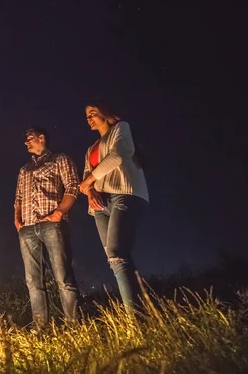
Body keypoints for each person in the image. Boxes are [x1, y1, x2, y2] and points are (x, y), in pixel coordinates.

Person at [78, 103, 149, 312]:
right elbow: (84, 179)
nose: (89, 118)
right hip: (100, 205)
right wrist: (89, 190)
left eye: (92, 113)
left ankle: (134, 319)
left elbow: (117, 156)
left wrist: (90, 180)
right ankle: (141, 312)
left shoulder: (121, 129)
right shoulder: (90, 148)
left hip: (124, 194)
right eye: (86, 116)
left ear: (107, 114)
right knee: (116, 258)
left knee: (117, 253)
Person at [14, 127, 81, 329]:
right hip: (27, 227)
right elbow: (18, 197)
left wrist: (59, 212)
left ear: (41, 138)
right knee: (33, 280)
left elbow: (72, 186)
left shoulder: (59, 159)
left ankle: (73, 325)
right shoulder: (24, 169)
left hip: (51, 223)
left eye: (30, 139)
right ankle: (40, 326)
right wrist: (17, 220)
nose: (26, 143)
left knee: (62, 275)